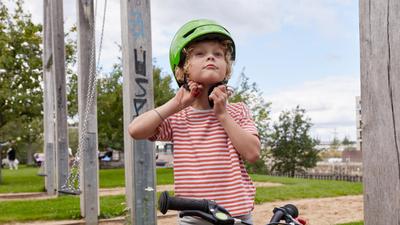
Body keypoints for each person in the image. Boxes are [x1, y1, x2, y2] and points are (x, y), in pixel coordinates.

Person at [128, 19, 260, 225]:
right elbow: (135, 130)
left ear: (226, 68)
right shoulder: (177, 117)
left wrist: (223, 115)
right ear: (182, 70)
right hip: (194, 216)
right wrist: (175, 103)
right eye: (200, 53)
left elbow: (252, 153)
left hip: (235, 215)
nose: (210, 57)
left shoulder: (237, 110)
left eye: (218, 54)